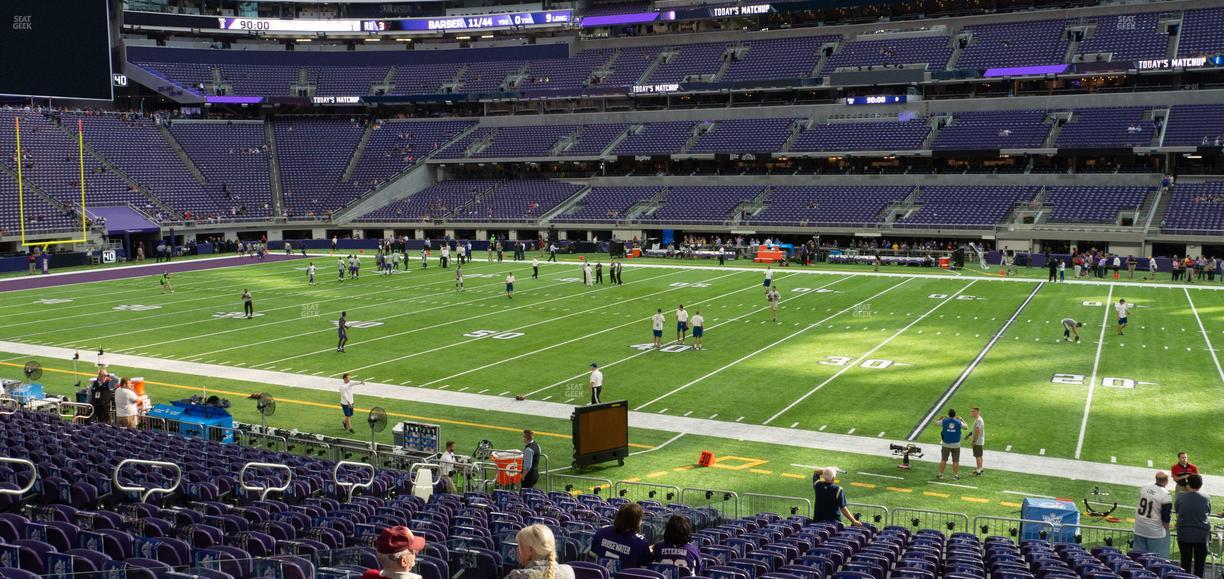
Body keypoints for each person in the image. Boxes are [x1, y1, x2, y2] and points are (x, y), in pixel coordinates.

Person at [590, 503, 651, 569]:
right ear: (637, 521)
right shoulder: (641, 543)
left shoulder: (601, 532)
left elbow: (592, 556)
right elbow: (643, 569)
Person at [1175, 474, 1212, 578]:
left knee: (1185, 563)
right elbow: (1208, 512)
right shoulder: (1206, 498)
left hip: (1184, 534)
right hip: (1201, 536)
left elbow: (1177, 509)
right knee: (1200, 565)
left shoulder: (1181, 496)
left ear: (1188, 483)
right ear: (1200, 485)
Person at [508, 524, 575, 579]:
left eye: (519, 546)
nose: (516, 549)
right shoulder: (568, 571)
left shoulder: (518, 576)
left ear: (530, 550)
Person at [1133, 471, 1172, 558]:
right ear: (1166, 480)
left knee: (1138, 558)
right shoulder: (1165, 494)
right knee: (1157, 560)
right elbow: (1166, 517)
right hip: (1155, 532)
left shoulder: (1144, 487)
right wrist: (1166, 530)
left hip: (1139, 528)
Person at [937, 409, 968, 479]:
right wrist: (962, 419)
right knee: (955, 461)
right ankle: (956, 475)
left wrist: (941, 417)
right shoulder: (959, 422)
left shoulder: (944, 421)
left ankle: (940, 474)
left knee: (943, 460)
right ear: (955, 414)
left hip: (946, 444)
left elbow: (936, 423)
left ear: (948, 414)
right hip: (956, 445)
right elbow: (966, 427)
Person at [969, 406, 985, 476]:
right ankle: (980, 468)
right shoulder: (978, 419)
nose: (971, 413)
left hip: (977, 441)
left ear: (977, 412)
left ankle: (978, 470)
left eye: (973, 411)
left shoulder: (978, 420)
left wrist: (974, 441)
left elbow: (978, 430)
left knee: (977, 456)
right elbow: (975, 430)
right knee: (980, 455)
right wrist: (969, 435)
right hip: (980, 440)